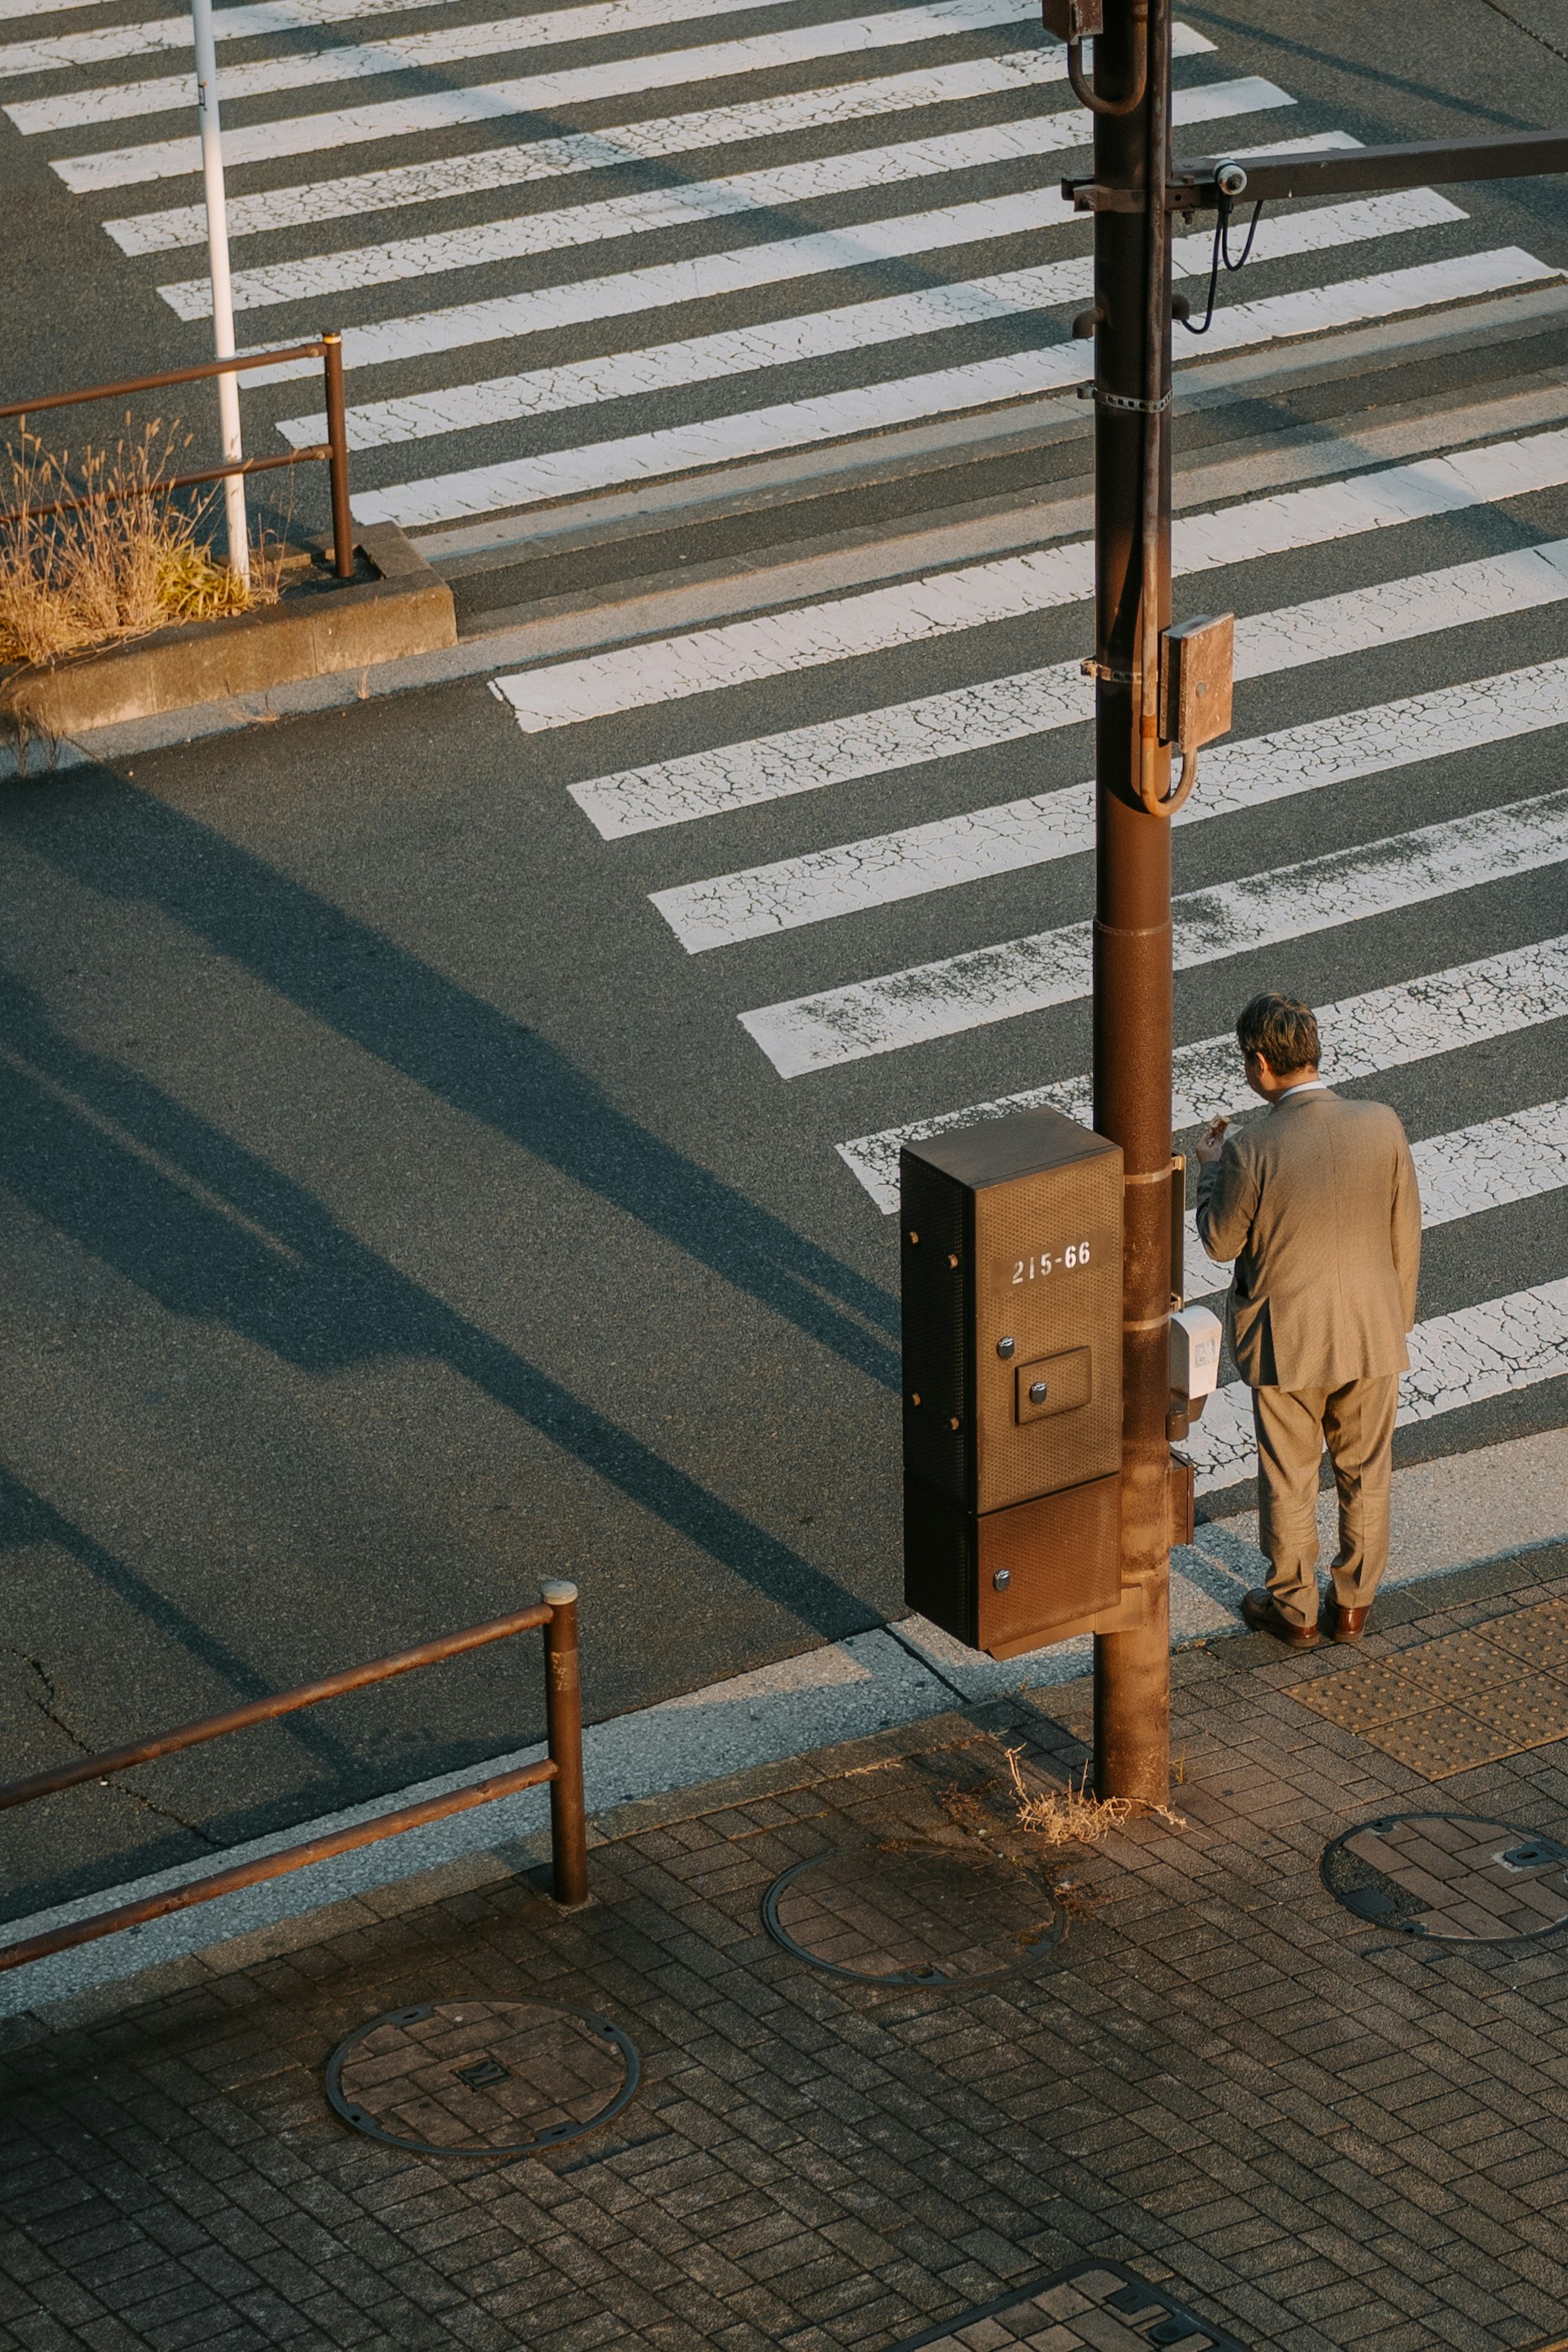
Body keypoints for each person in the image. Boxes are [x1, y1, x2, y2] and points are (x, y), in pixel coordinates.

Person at [1193, 991, 1421, 1650]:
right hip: (1371, 1330)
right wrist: (1392, 1319)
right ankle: (1351, 1604)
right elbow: (1404, 1230)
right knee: (1364, 1470)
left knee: (1290, 1476)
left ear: (1260, 1062)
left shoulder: (1249, 1147)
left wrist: (1209, 1173)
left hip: (1285, 1340)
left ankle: (1292, 1607)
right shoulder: (1381, 1122)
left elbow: (1219, 1241)